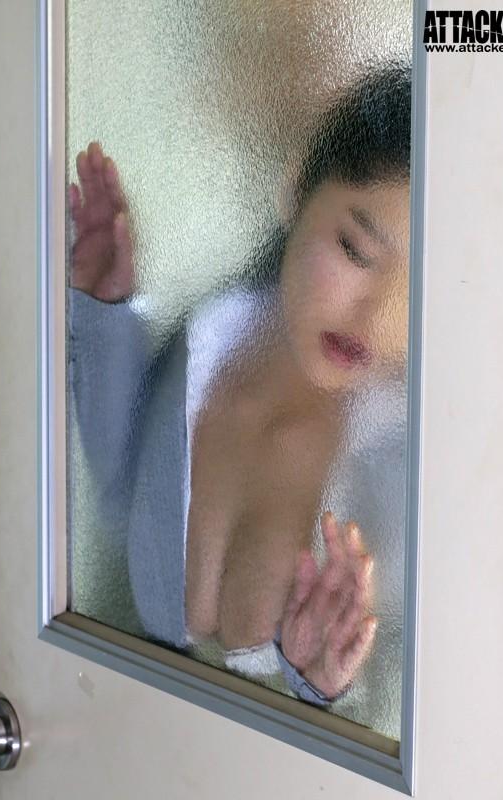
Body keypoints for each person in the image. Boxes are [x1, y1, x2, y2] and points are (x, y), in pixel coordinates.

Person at [68, 63, 411, 712]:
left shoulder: (404, 473)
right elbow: (120, 507)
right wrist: (104, 312)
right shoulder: (209, 345)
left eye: (416, 292)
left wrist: (323, 686)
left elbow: (413, 716)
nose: (376, 316)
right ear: (296, 191)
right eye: (356, 251)